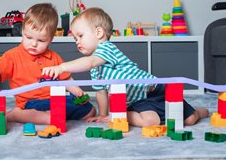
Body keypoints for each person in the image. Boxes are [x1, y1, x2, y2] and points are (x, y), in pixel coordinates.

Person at [42, 7, 209, 127]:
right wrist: (103, 114)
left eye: (80, 36)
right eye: (75, 39)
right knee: (150, 122)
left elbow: (90, 62)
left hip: (155, 89)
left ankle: (200, 112)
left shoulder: (106, 48)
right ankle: (121, 113)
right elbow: (101, 92)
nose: (77, 42)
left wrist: (62, 67)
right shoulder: (95, 69)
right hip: (136, 102)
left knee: (189, 120)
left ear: (99, 33)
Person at [0, 3, 96, 124]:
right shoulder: (13, 55)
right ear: (22, 31)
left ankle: (52, 114)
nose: (34, 44)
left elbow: (66, 79)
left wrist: (78, 92)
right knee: (52, 118)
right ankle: (17, 114)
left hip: (54, 99)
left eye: (41, 40)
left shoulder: (54, 57)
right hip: (30, 102)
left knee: (90, 110)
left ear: (50, 39)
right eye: (29, 37)